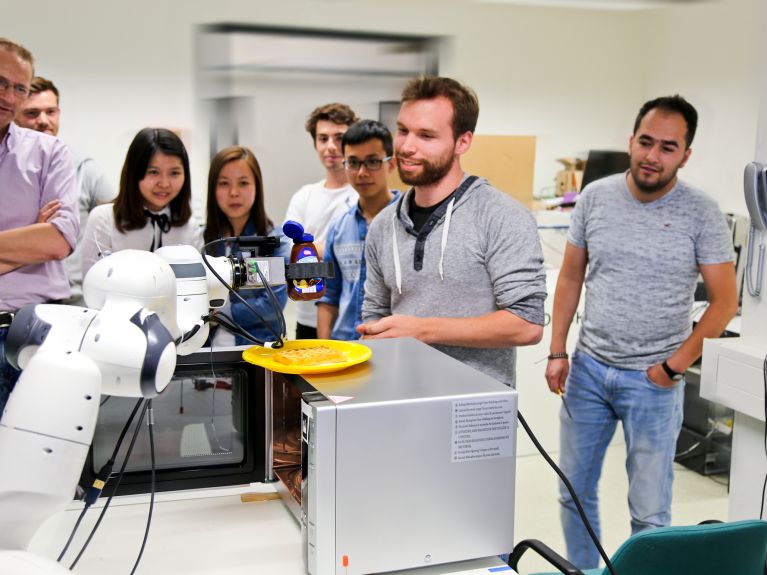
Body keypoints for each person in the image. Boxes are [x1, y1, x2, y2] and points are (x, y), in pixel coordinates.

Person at [544, 95, 738, 569]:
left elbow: (725, 302)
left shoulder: (701, 212)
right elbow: (571, 277)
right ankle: (588, 572)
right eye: (645, 142)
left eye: (667, 147)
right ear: (631, 141)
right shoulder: (596, 196)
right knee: (574, 493)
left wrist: (673, 367)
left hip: (653, 383)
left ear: (685, 155)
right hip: (588, 370)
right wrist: (558, 350)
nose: (653, 155)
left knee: (650, 513)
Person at [357, 76, 546, 387]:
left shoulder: (501, 216)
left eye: (426, 135)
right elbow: (374, 315)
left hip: (475, 415)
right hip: (398, 402)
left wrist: (423, 330)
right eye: (403, 130)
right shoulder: (383, 224)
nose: (406, 146)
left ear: (463, 142)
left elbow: (526, 324)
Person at [0, 38, 78, 415]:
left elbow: (58, 241)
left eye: (19, 87)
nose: (9, 96)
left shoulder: (50, 153)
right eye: (1, 82)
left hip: (38, 331)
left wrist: (42, 236)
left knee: (42, 463)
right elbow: (40, 242)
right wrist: (28, 234)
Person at [15, 76, 115, 305]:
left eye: (50, 111)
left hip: (79, 303)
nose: (43, 120)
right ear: (16, 116)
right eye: (32, 113)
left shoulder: (85, 168)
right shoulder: (8, 173)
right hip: (23, 304)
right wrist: (33, 232)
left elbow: (118, 226)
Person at [316, 120, 399, 341]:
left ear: (391, 164)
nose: (362, 172)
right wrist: (324, 349)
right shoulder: (339, 226)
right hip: (343, 346)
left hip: (392, 347)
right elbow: (329, 295)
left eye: (372, 162)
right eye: (353, 162)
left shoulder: (408, 223)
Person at [80, 127, 202, 277]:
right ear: (134, 173)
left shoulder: (190, 227)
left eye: (174, 173)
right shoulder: (103, 219)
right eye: (153, 172)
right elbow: (92, 284)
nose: (164, 183)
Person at [284, 102, 359, 339]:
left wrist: (311, 250)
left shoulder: (363, 194)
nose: (331, 146)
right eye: (323, 138)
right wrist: (330, 249)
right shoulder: (304, 196)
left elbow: (363, 253)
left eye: (339, 137)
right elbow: (289, 256)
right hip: (307, 318)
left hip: (353, 318)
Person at [204, 146, 289, 345]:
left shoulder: (275, 241)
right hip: (208, 354)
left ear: (257, 187)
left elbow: (272, 306)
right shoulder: (204, 240)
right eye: (224, 184)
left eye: (243, 183)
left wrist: (222, 313)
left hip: (256, 351)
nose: (234, 193)